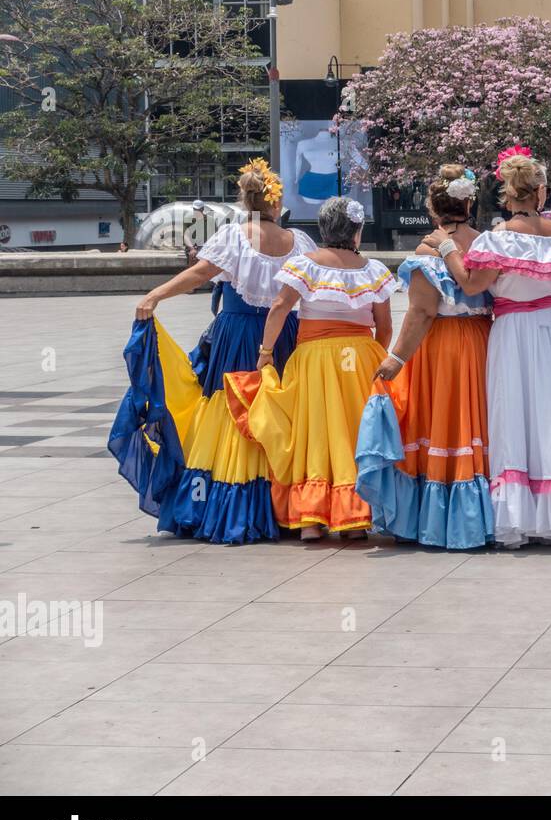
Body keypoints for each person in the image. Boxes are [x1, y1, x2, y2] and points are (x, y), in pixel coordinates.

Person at [110, 157, 309, 543]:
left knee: (231, 405)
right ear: (274, 203)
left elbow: (200, 274)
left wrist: (155, 295)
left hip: (236, 333)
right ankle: (286, 501)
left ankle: (229, 500)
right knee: (277, 407)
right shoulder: (298, 242)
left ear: (245, 200)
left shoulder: (233, 237)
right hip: (284, 334)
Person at [433, 146, 551, 548]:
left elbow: (472, 284)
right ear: (540, 193)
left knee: (518, 412)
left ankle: (524, 512)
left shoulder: (500, 238)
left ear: (506, 194)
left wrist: (446, 249)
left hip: (516, 328)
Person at [226, 196, 397, 541]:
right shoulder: (374, 269)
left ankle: (311, 519)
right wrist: (376, 354)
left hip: (314, 357)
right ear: (357, 232)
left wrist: (266, 352)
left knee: (314, 431)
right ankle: (355, 516)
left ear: (323, 229)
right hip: (360, 356)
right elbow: (385, 324)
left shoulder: (306, 264)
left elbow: (279, 307)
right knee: (353, 431)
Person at [355, 166, 494, 549]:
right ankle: (480, 516)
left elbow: (422, 312)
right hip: (481, 341)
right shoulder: (484, 243)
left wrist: (396, 357)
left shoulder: (427, 250)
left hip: (442, 347)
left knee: (442, 422)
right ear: (469, 203)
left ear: (434, 209)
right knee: (473, 423)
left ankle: (435, 519)